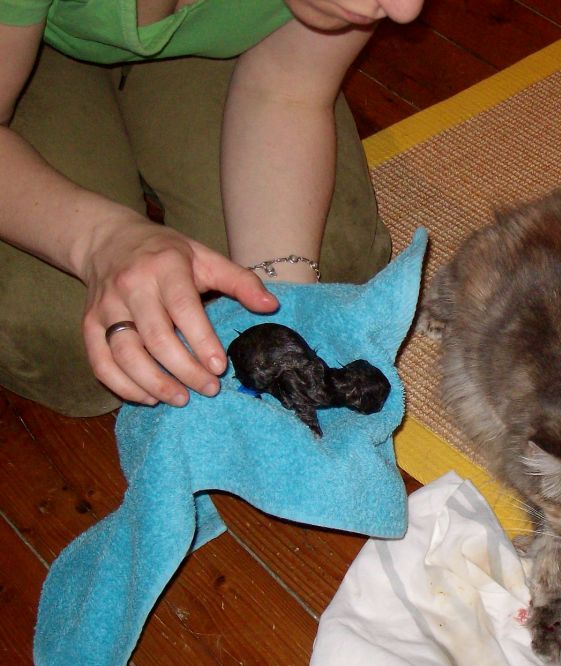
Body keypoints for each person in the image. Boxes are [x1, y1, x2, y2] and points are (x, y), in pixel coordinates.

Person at [0, 0, 424, 417]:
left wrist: (278, 313)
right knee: (73, 348)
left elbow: (288, 91)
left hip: (210, 39)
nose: (404, 11)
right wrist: (99, 241)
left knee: (326, 267)